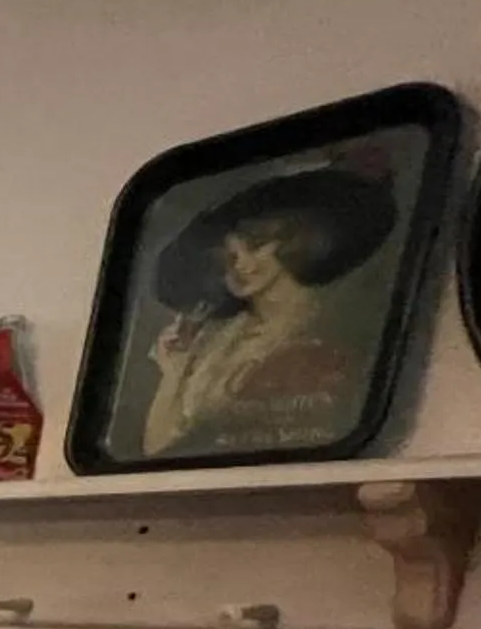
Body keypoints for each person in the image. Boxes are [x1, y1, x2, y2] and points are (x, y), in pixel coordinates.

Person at [138, 161, 401, 458]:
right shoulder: (213, 337)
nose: (240, 265)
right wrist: (174, 371)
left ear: (296, 242)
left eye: (255, 245)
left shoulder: (331, 326)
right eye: (228, 257)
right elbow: (158, 450)